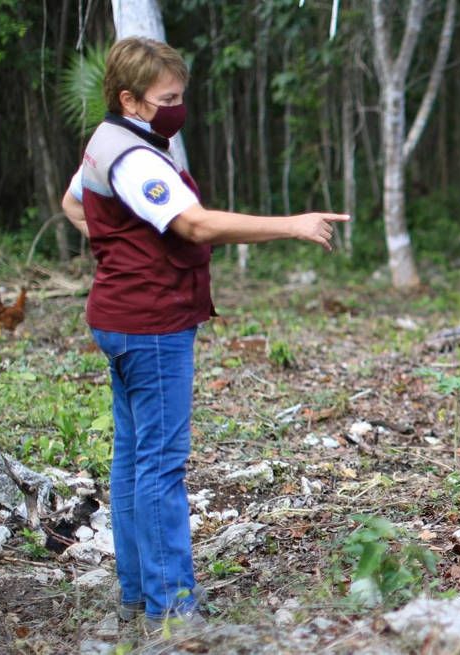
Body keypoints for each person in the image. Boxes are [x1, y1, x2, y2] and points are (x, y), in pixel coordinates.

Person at [61, 36, 347, 630]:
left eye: (180, 95)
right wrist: (291, 225)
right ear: (130, 100)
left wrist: (123, 247)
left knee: (134, 458)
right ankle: (173, 612)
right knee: (160, 465)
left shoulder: (107, 142)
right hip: (152, 327)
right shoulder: (136, 158)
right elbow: (192, 223)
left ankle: (139, 594)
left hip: (117, 318)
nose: (177, 107)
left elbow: (73, 203)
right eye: (168, 98)